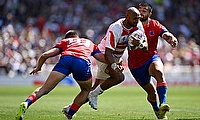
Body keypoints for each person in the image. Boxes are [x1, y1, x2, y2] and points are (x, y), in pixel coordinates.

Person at [15, 30, 107, 120]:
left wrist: (38, 67)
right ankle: (69, 115)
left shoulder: (65, 41)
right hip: (81, 61)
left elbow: (45, 55)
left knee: (44, 89)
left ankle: (26, 103)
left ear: (67, 38)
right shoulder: (88, 42)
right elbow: (101, 58)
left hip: (65, 60)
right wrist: (114, 63)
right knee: (86, 90)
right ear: (77, 36)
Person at [128, 2, 178, 119]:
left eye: (144, 10)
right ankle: (158, 111)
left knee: (159, 72)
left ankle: (163, 103)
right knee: (151, 92)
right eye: (139, 9)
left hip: (151, 58)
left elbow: (165, 33)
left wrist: (172, 39)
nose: (141, 12)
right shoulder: (131, 26)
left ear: (150, 13)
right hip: (136, 65)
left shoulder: (154, 24)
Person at [88, 7, 144, 110]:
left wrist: (139, 44)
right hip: (103, 55)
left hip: (115, 57)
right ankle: (94, 94)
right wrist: (114, 65)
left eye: (138, 18)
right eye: (135, 18)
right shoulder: (116, 28)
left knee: (95, 88)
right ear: (127, 17)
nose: (137, 21)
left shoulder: (138, 26)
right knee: (119, 77)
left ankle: (70, 109)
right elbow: (108, 52)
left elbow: (143, 46)